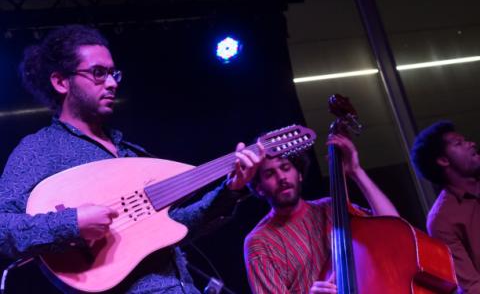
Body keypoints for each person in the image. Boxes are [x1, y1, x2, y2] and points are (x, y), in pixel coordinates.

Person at [0, 25, 264, 293]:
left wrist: (230, 191)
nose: (112, 83)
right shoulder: (40, 148)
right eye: (98, 73)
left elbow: (176, 229)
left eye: (113, 73)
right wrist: (73, 223)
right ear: (61, 82)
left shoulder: (129, 152)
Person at [243, 134, 399, 294]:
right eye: (269, 174)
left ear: (300, 174)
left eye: (285, 168)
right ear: (258, 188)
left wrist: (356, 171)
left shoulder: (330, 207)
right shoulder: (259, 243)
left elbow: (395, 229)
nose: (281, 177)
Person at [411, 121, 480, 294]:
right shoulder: (441, 219)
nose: (472, 144)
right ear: (443, 160)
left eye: (466, 140)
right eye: (459, 143)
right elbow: (472, 285)